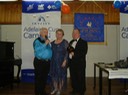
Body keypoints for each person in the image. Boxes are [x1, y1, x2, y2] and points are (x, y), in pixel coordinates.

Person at [67, 28, 88, 95]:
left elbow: (83, 53)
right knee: (73, 77)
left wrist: (74, 54)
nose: (74, 34)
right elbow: (69, 50)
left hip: (80, 63)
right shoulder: (70, 42)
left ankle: (81, 91)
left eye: (76, 33)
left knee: (80, 77)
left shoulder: (84, 42)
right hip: (72, 63)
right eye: (73, 33)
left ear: (79, 34)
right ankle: (75, 89)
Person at [33, 27, 52, 95]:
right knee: (39, 78)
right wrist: (45, 44)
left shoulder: (47, 40)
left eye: (47, 32)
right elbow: (37, 50)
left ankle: (42, 91)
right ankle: (38, 93)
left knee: (44, 78)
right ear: (40, 33)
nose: (46, 33)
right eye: (44, 32)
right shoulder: (37, 41)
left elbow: (49, 51)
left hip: (47, 62)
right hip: (39, 62)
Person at [50, 29, 69, 95]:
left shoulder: (65, 42)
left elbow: (67, 52)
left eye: (60, 34)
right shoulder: (52, 43)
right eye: (57, 33)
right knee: (54, 76)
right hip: (53, 62)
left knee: (61, 76)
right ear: (55, 34)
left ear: (62, 35)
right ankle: (55, 88)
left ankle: (59, 90)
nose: (58, 35)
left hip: (61, 62)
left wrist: (65, 60)